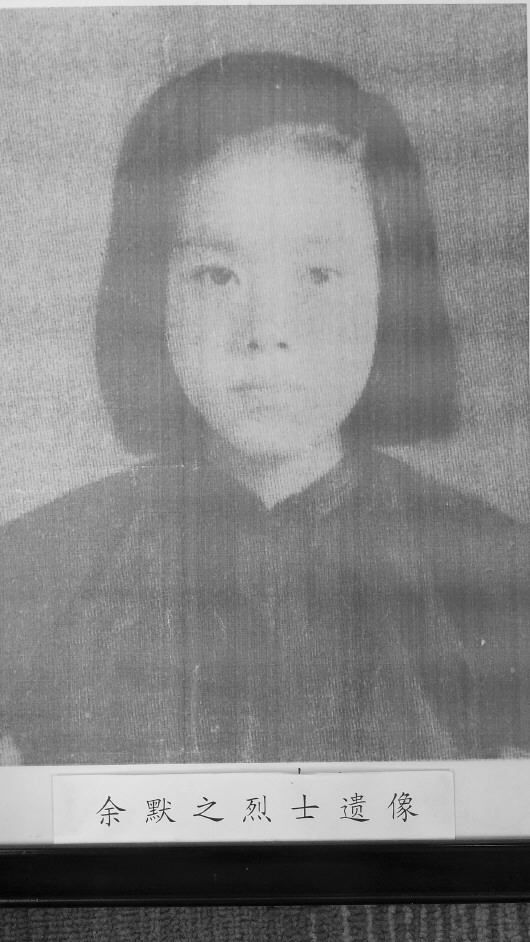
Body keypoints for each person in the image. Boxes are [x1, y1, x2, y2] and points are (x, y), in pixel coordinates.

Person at [1, 53, 528, 766]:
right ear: (153, 295)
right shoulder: (32, 573)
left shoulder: (500, 576)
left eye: (320, 274)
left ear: (390, 292)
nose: (266, 330)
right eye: (217, 275)